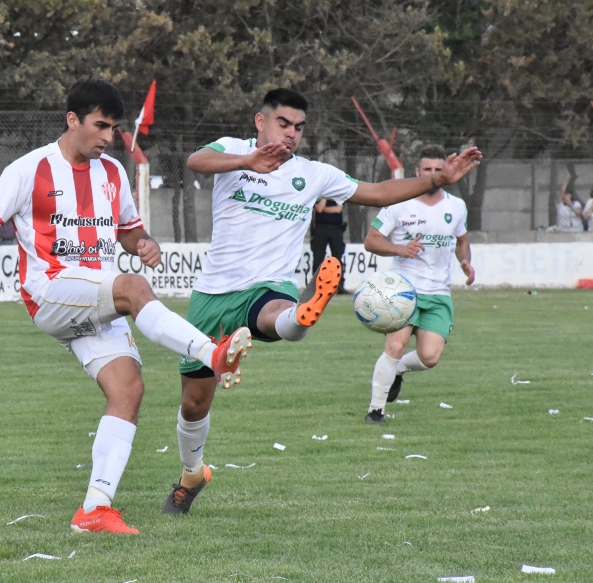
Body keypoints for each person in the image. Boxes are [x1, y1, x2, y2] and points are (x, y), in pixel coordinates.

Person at [0, 78, 252, 535]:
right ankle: (212, 354)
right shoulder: (30, 169)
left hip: (94, 297)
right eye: (100, 126)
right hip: (51, 290)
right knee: (132, 288)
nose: (109, 137)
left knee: (128, 389)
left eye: (113, 129)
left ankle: (94, 509)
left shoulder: (113, 174)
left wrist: (143, 243)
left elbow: (128, 231)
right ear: (72, 120)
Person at [162, 89, 482, 516]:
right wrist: (247, 162)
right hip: (213, 294)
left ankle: (307, 308)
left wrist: (437, 181)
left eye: (298, 128)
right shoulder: (232, 150)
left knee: (278, 316)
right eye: (283, 124)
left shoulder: (313, 174)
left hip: (271, 286)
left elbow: (379, 191)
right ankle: (192, 475)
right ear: (261, 121)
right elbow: (195, 161)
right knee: (194, 403)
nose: (291, 134)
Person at [363, 144, 476, 424]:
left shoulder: (456, 206)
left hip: (438, 293)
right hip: (404, 290)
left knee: (430, 357)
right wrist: (399, 249)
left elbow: (462, 241)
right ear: (417, 172)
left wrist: (465, 263)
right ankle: (376, 410)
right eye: (428, 169)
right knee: (396, 345)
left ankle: (397, 370)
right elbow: (371, 240)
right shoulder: (399, 203)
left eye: (439, 169)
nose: (435, 174)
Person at [310, 197, 348, 293]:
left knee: (338, 258)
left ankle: (339, 287)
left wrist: (324, 210)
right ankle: (316, 287)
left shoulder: (338, 194)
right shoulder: (319, 195)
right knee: (318, 258)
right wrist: (325, 197)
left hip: (336, 229)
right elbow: (319, 208)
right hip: (320, 229)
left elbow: (338, 209)